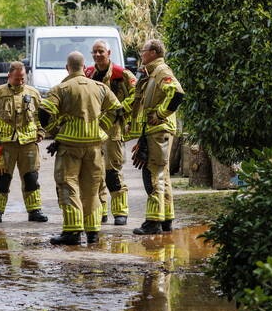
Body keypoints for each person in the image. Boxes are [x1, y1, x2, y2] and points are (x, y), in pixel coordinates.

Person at [39, 51, 119, 245]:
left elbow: (44, 112)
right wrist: (101, 126)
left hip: (70, 146)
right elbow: (117, 109)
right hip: (94, 146)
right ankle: (93, 232)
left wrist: (56, 131)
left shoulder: (61, 89)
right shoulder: (100, 87)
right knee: (92, 189)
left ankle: (72, 232)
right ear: (84, 67)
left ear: (67, 68)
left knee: (69, 185)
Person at [0, 61, 49, 224]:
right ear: (9, 76)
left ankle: (34, 210)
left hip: (29, 143)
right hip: (5, 144)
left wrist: (41, 131)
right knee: (2, 179)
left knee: (31, 177)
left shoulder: (33, 93)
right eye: (17, 78)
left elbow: (40, 115)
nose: (20, 81)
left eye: (23, 78)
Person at [131, 39, 185, 235]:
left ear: (153, 52)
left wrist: (160, 114)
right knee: (163, 175)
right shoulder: (152, 72)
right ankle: (166, 220)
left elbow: (177, 94)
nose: (141, 54)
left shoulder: (161, 71)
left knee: (153, 174)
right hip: (157, 131)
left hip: (159, 130)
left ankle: (153, 223)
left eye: (143, 50)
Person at [86, 40, 137, 226]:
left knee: (112, 172)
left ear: (109, 53)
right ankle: (100, 211)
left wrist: (121, 110)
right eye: (94, 52)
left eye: (101, 51)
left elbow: (137, 95)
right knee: (95, 172)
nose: (97, 55)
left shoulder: (121, 74)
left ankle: (120, 212)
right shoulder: (88, 74)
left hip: (113, 130)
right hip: (93, 130)